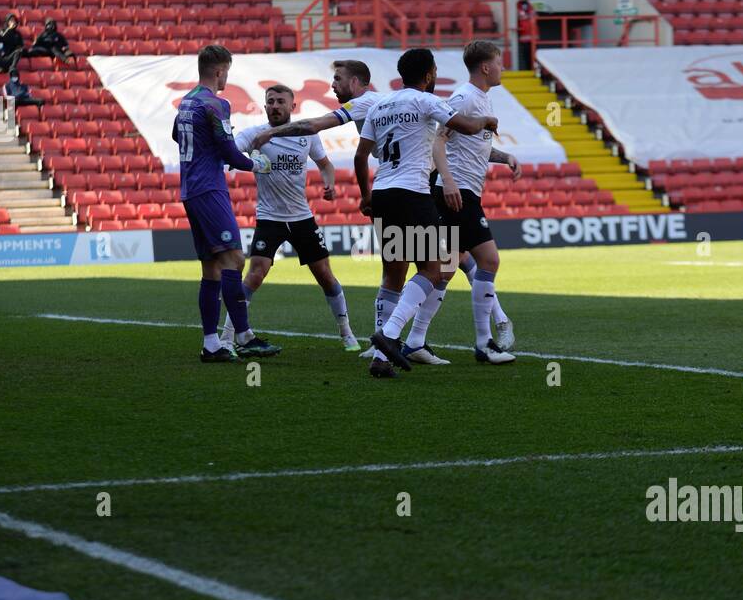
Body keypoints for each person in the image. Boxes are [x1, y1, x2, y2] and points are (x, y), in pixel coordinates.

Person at [354, 47, 498, 379]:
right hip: (413, 194)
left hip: (384, 193)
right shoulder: (425, 101)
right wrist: (488, 120)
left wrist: (366, 196)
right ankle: (389, 335)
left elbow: (361, 157)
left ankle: (380, 358)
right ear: (430, 75)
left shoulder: (380, 106)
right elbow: (465, 126)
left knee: (394, 275)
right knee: (434, 270)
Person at [221, 82, 359, 352]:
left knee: (325, 276)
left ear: (292, 106)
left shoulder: (307, 134)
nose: (275, 106)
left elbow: (326, 165)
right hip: (269, 218)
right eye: (270, 101)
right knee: (256, 273)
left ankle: (346, 333)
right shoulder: (255, 134)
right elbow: (233, 151)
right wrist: (232, 152)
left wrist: (329, 183)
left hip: (301, 218)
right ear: (264, 106)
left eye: (280, 102)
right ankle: (228, 335)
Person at [172, 43, 279, 363]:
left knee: (212, 269)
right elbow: (230, 152)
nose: (226, 80)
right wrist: (257, 164)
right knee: (234, 259)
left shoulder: (186, 103)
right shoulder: (216, 104)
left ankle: (211, 344)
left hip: (190, 189)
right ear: (218, 71)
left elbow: (178, 137)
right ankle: (244, 336)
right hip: (209, 188)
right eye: (226, 73)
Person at [422, 40, 520, 365]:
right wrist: (448, 182)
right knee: (489, 261)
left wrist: (504, 156)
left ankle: (412, 340)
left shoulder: (482, 98)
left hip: (462, 190)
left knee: (446, 270)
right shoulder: (464, 98)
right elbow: (439, 143)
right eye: (500, 63)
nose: (503, 68)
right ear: (485, 67)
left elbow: (473, 148)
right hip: (457, 192)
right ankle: (484, 342)